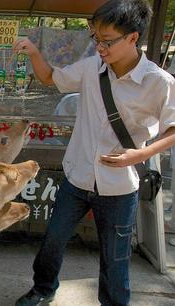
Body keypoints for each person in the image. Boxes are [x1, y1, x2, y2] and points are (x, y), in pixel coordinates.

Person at [12, 1, 175, 306]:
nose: (100, 47)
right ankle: (42, 288)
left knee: (115, 258)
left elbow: (173, 128)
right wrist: (34, 52)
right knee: (53, 241)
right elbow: (51, 78)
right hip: (77, 178)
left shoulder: (158, 82)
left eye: (107, 41)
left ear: (132, 38)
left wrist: (138, 156)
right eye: (96, 38)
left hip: (120, 186)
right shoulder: (91, 69)